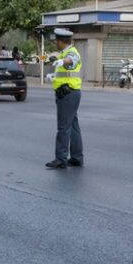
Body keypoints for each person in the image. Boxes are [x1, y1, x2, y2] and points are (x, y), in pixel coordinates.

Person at [46, 28, 83, 169]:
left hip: (68, 94)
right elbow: (67, 75)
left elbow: (71, 61)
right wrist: (53, 76)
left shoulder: (71, 53)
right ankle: (77, 157)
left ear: (61, 41)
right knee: (73, 126)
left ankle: (60, 158)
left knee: (63, 127)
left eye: (56, 40)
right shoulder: (64, 53)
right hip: (70, 93)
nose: (55, 42)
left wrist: (63, 62)